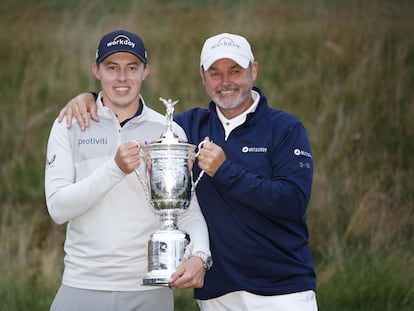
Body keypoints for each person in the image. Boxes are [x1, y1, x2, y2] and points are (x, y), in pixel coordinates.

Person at [59, 32, 318, 310]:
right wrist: (90, 98)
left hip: (282, 291)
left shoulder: (285, 128)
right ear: (203, 76)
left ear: (253, 70)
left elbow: (292, 202)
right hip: (217, 294)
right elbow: (134, 111)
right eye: (215, 73)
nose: (226, 82)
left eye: (235, 71)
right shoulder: (187, 128)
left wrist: (226, 171)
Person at [45, 29, 211, 311]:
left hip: (149, 291)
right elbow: (58, 208)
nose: (122, 78)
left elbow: (187, 211)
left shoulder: (168, 131)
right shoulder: (69, 124)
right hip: (82, 285)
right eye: (112, 68)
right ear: (96, 71)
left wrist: (200, 255)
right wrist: (115, 169)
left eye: (131, 67)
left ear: (145, 71)